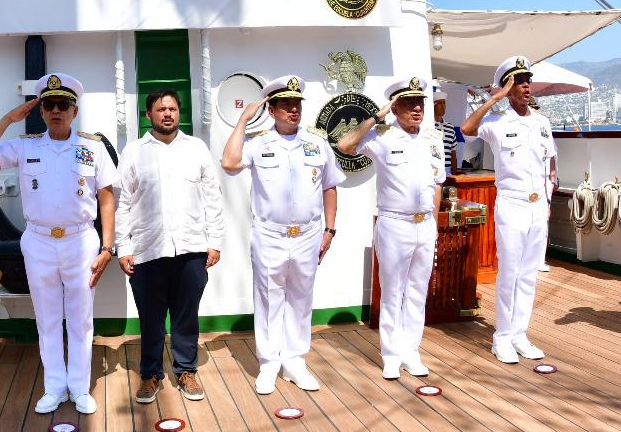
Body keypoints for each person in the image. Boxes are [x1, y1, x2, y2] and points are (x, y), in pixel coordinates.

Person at [0, 73, 116, 414]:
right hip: (38, 241)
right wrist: (8, 119)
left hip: (80, 240)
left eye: (62, 104)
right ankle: (54, 387)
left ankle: (79, 388)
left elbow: (107, 197)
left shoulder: (92, 147)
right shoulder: (25, 145)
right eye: (48, 105)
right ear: (41, 111)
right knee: (47, 319)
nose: (55, 110)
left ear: (74, 110)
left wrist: (108, 247)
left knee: (80, 318)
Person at [221, 75, 343, 395]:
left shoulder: (317, 142)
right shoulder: (258, 142)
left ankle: (294, 360)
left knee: (301, 298)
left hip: (308, 234)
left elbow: (329, 185)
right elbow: (229, 162)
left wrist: (329, 229)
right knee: (268, 297)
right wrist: (244, 121)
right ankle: (268, 362)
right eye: (286, 105)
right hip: (270, 234)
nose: (293, 110)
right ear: (272, 110)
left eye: (297, 105)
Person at [116, 88, 225, 404]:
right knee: (150, 317)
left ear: (179, 113)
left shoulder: (197, 148)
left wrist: (214, 242)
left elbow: (213, 198)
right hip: (147, 250)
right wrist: (123, 248)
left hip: (192, 248)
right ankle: (150, 374)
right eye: (160, 109)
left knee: (186, 315)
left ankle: (186, 370)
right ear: (149, 114)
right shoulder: (134, 152)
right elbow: (122, 202)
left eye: (173, 109)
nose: (167, 114)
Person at [338, 75, 446, 379]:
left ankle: (411, 350)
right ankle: (390, 354)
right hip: (394, 224)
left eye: (420, 103)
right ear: (395, 108)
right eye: (409, 103)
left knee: (417, 291)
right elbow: (345, 144)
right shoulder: (382, 137)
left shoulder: (432, 140)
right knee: (393, 291)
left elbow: (437, 184)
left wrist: (435, 224)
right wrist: (376, 117)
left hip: (424, 225)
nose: (416, 109)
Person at [460, 57, 557, 364]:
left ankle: (520, 334)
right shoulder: (497, 122)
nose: (526, 86)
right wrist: (496, 99)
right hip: (512, 204)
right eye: (519, 81)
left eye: (528, 80)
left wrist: (548, 200)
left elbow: (550, 164)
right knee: (509, 274)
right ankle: (502, 337)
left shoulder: (542, 123)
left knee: (528, 275)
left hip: (537, 205)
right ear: (507, 86)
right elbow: (466, 129)